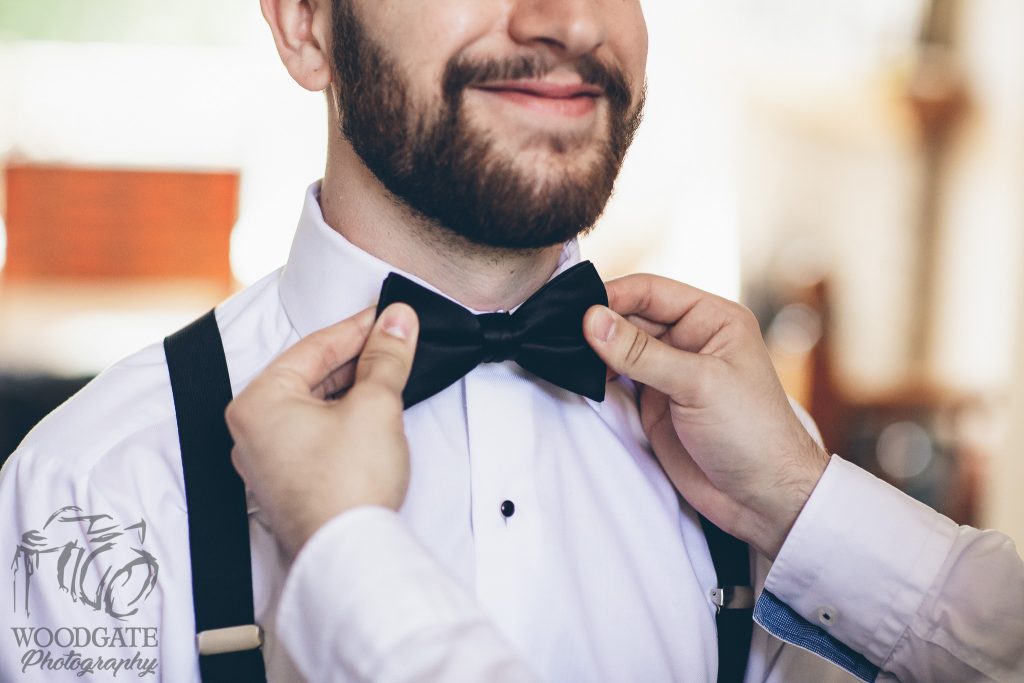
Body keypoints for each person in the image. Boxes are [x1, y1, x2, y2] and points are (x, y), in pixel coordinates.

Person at [0, 0, 1020, 681]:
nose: (566, 19)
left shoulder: (755, 470)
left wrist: (803, 498)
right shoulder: (90, 486)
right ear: (307, 23)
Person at [228, 282, 1024, 683]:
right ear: (303, 25)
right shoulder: (114, 462)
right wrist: (790, 494)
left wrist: (347, 548)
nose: (571, 16)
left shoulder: (759, 450)